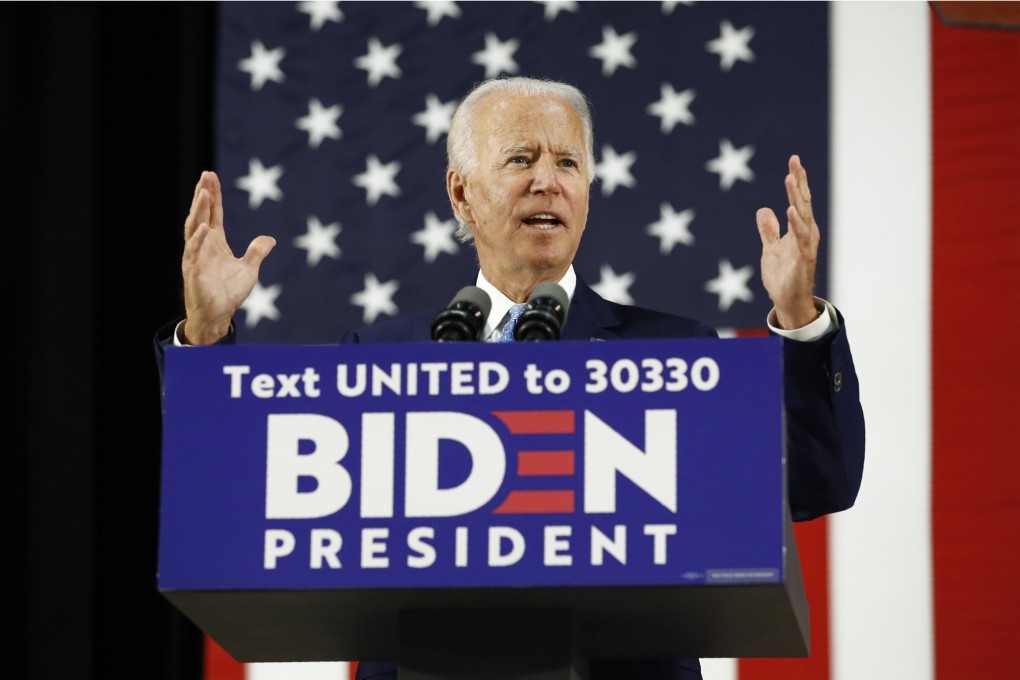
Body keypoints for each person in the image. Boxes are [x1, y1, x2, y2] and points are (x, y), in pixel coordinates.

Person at [155, 76, 865, 680]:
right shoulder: (378, 358)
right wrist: (208, 338)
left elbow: (814, 481)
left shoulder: (672, 354)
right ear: (462, 195)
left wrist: (799, 318)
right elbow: (237, 492)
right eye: (520, 158)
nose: (547, 181)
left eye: (568, 163)